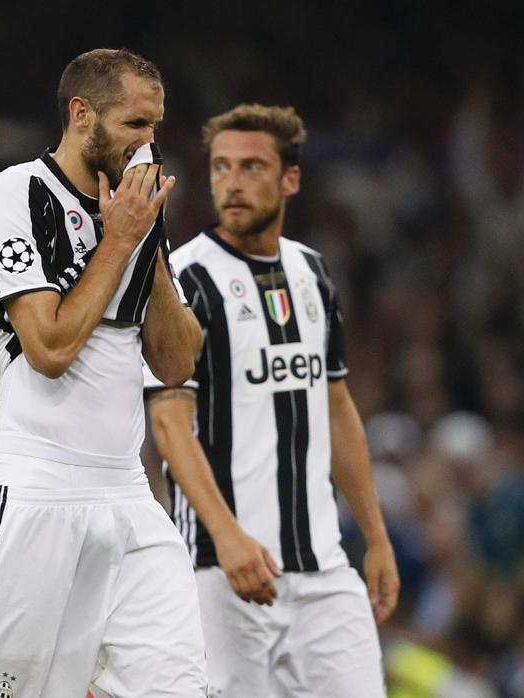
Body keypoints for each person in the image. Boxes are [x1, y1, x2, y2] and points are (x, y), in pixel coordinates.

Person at [0, 48, 206, 698]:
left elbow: (176, 362)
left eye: (155, 126)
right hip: (32, 489)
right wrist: (118, 239)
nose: (148, 143)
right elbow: (48, 346)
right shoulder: (14, 192)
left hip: (127, 493)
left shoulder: (137, 209)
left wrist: (146, 245)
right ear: (81, 113)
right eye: (134, 124)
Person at [144, 103, 400, 697]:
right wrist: (227, 536)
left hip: (324, 566)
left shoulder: (314, 271)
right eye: (221, 167)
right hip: (222, 568)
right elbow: (169, 422)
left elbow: (336, 407)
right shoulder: (185, 279)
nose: (232, 182)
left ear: (290, 179)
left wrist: (377, 537)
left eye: (253, 167)